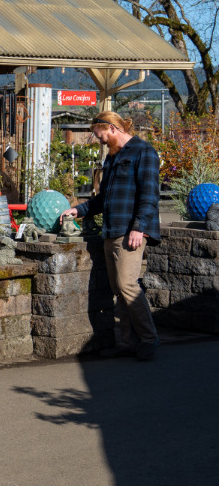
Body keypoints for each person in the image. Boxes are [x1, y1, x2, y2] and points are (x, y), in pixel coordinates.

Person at [60, 111, 161, 361]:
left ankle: (149, 339)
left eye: (100, 135)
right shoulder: (112, 158)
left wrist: (139, 227)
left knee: (128, 285)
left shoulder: (143, 152)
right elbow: (103, 199)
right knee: (118, 289)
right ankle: (127, 342)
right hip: (111, 231)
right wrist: (79, 210)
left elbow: (149, 195)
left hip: (129, 232)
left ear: (112, 128)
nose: (100, 140)